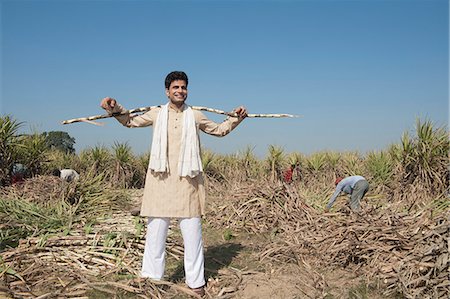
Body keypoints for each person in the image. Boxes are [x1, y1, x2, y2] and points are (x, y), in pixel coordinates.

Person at [100, 71, 247, 296]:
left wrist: (236, 118)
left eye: (183, 87)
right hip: (160, 181)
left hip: (188, 182)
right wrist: (114, 107)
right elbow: (129, 121)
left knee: (193, 235)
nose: (180, 91)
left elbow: (218, 130)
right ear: (167, 91)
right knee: (155, 234)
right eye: (175, 87)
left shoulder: (195, 115)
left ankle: (196, 283)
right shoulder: (156, 114)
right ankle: (151, 280)